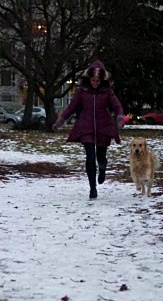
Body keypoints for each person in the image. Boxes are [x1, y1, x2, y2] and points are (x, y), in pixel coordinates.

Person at [53, 60, 125, 199]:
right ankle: (92, 188)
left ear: (102, 80)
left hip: (103, 126)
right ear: (88, 78)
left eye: (98, 81)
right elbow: (71, 107)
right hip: (86, 127)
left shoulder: (107, 91)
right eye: (93, 80)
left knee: (100, 156)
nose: (95, 83)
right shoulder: (82, 91)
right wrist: (61, 120)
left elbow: (117, 106)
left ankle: (103, 167)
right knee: (90, 157)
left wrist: (119, 117)